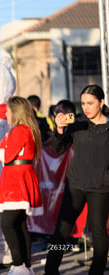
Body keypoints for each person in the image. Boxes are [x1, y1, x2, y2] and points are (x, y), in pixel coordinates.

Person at [44, 84, 109, 275]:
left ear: (101, 102)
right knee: (61, 232)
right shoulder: (78, 123)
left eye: (90, 103)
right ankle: (50, 270)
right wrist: (59, 129)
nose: (86, 107)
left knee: (99, 235)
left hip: (101, 187)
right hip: (76, 186)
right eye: (83, 103)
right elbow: (59, 148)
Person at [0, 96, 43, 275]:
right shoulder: (21, 130)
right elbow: (2, 155)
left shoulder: (21, 130)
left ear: (16, 111)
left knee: (8, 223)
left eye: (8, 110)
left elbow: (5, 156)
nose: (6, 113)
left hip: (17, 181)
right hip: (16, 178)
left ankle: (20, 264)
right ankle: (24, 266)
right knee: (20, 224)